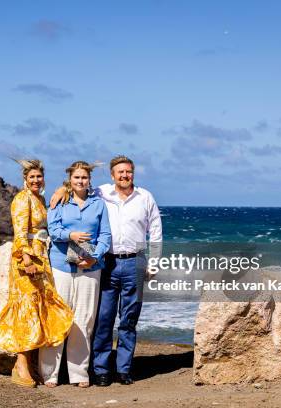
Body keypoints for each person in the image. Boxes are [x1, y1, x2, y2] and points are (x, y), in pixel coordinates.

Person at [50, 155, 162, 386]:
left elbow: (156, 232)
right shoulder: (101, 193)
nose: (124, 175)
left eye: (128, 172)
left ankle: (123, 369)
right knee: (103, 318)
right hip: (107, 263)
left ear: (133, 174)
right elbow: (78, 184)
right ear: (112, 176)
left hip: (135, 262)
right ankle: (100, 369)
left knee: (129, 319)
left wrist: (154, 263)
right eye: (120, 172)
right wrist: (61, 189)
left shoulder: (145, 197)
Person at [0, 159, 73, 388]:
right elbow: (19, 232)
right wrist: (26, 260)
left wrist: (65, 187)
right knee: (26, 310)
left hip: (42, 257)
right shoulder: (22, 199)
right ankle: (20, 365)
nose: (36, 180)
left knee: (38, 310)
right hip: (26, 260)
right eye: (32, 177)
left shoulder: (40, 198)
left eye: (39, 177)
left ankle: (31, 364)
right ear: (24, 180)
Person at [39, 161, 112, 388]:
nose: (80, 181)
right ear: (69, 179)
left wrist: (95, 256)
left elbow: (105, 235)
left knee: (85, 319)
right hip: (62, 266)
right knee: (58, 317)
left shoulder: (98, 204)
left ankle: (79, 374)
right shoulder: (60, 201)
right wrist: (71, 235)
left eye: (84, 177)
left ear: (89, 180)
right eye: (77, 177)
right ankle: (49, 374)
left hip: (91, 268)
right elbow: (54, 229)